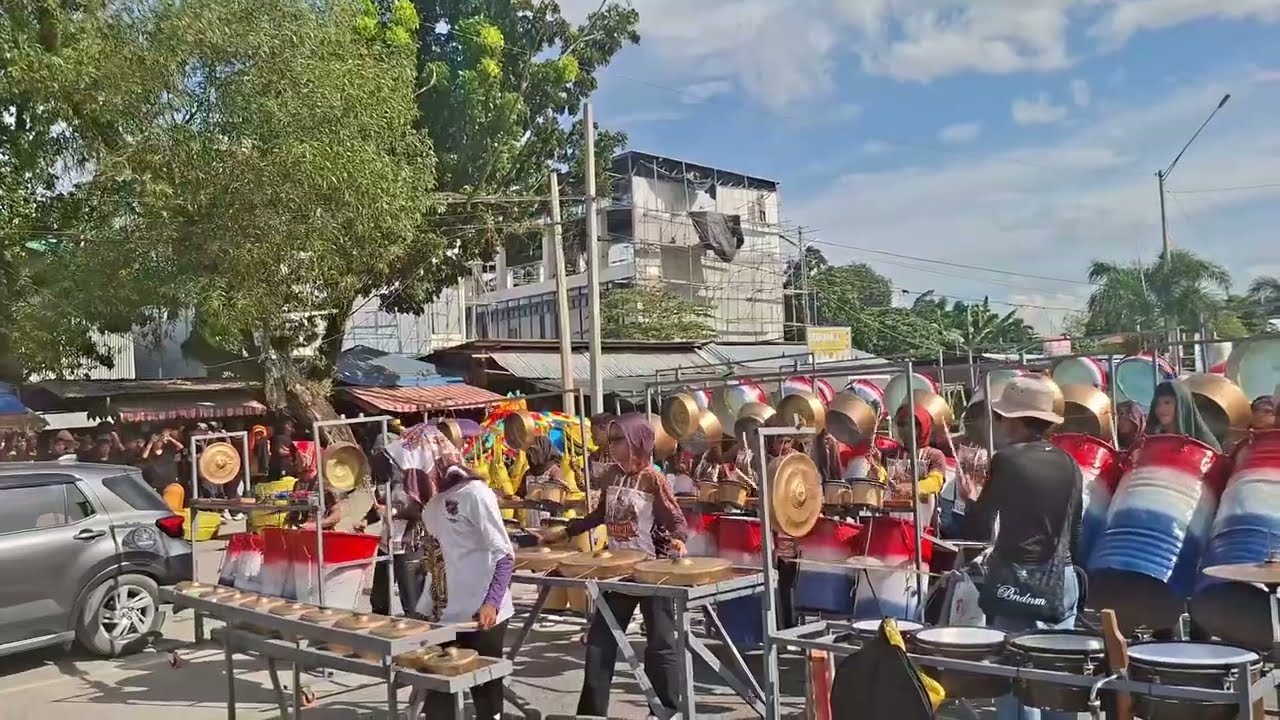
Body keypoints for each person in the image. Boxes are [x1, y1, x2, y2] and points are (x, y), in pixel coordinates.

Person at [544, 414, 688, 717]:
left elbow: (675, 518)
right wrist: (569, 530)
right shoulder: (610, 476)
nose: (611, 446)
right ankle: (591, 713)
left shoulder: (653, 477)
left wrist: (678, 539)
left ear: (637, 441)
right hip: (618, 572)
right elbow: (600, 514)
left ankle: (666, 712)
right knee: (599, 644)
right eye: (610, 440)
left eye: (617, 439)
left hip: (651, 572)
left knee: (660, 646)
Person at [961, 376, 1080, 720]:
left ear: (1013, 419)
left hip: (1021, 582)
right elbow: (1077, 530)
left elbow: (982, 522)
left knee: (1018, 684)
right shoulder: (1070, 463)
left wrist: (972, 499)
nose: (996, 423)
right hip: (1064, 578)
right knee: (1060, 682)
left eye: (999, 417)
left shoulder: (1008, 460)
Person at [420, 461, 514, 719]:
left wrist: (492, 601)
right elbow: (439, 558)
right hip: (446, 613)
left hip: (482, 611)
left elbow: (504, 555)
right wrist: (428, 607)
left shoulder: (476, 493)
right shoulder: (432, 505)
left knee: (485, 688)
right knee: (439, 690)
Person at [359, 436, 425, 618]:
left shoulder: (411, 476)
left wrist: (393, 510)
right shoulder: (381, 478)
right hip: (386, 543)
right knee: (379, 600)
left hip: (408, 543)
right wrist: (367, 519)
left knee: (412, 602)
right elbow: (378, 507)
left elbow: (416, 507)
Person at [884, 404, 947, 529]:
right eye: (900, 424)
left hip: (923, 525)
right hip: (891, 523)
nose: (903, 429)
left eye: (907, 424)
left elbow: (935, 482)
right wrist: (875, 468)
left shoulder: (934, 455)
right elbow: (882, 479)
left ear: (921, 426)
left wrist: (909, 488)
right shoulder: (889, 453)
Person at [1148, 380, 1222, 451]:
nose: (1161, 409)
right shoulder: (1150, 440)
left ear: (1182, 406)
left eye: (1167, 403)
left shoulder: (1206, 443)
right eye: (1157, 404)